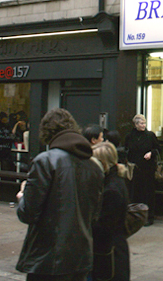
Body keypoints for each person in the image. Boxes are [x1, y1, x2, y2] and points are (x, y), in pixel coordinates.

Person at [15, 108, 103, 281]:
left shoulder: (45, 161)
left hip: (48, 259)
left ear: (47, 133)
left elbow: (28, 213)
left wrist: (21, 198)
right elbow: (94, 215)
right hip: (80, 257)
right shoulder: (94, 166)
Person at [91, 142, 130, 281]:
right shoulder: (114, 181)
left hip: (109, 252)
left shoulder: (111, 189)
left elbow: (104, 226)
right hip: (113, 248)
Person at [124, 114, 160, 226]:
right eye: (141, 123)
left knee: (148, 193)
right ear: (135, 125)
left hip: (148, 168)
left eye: (144, 123)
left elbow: (158, 148)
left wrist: (151, 153)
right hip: (135, 168)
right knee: (136, 193)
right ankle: (136, 216)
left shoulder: (150, 136)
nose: (143, 125)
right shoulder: (130, 136)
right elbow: (126, 150)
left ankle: (149, 217)